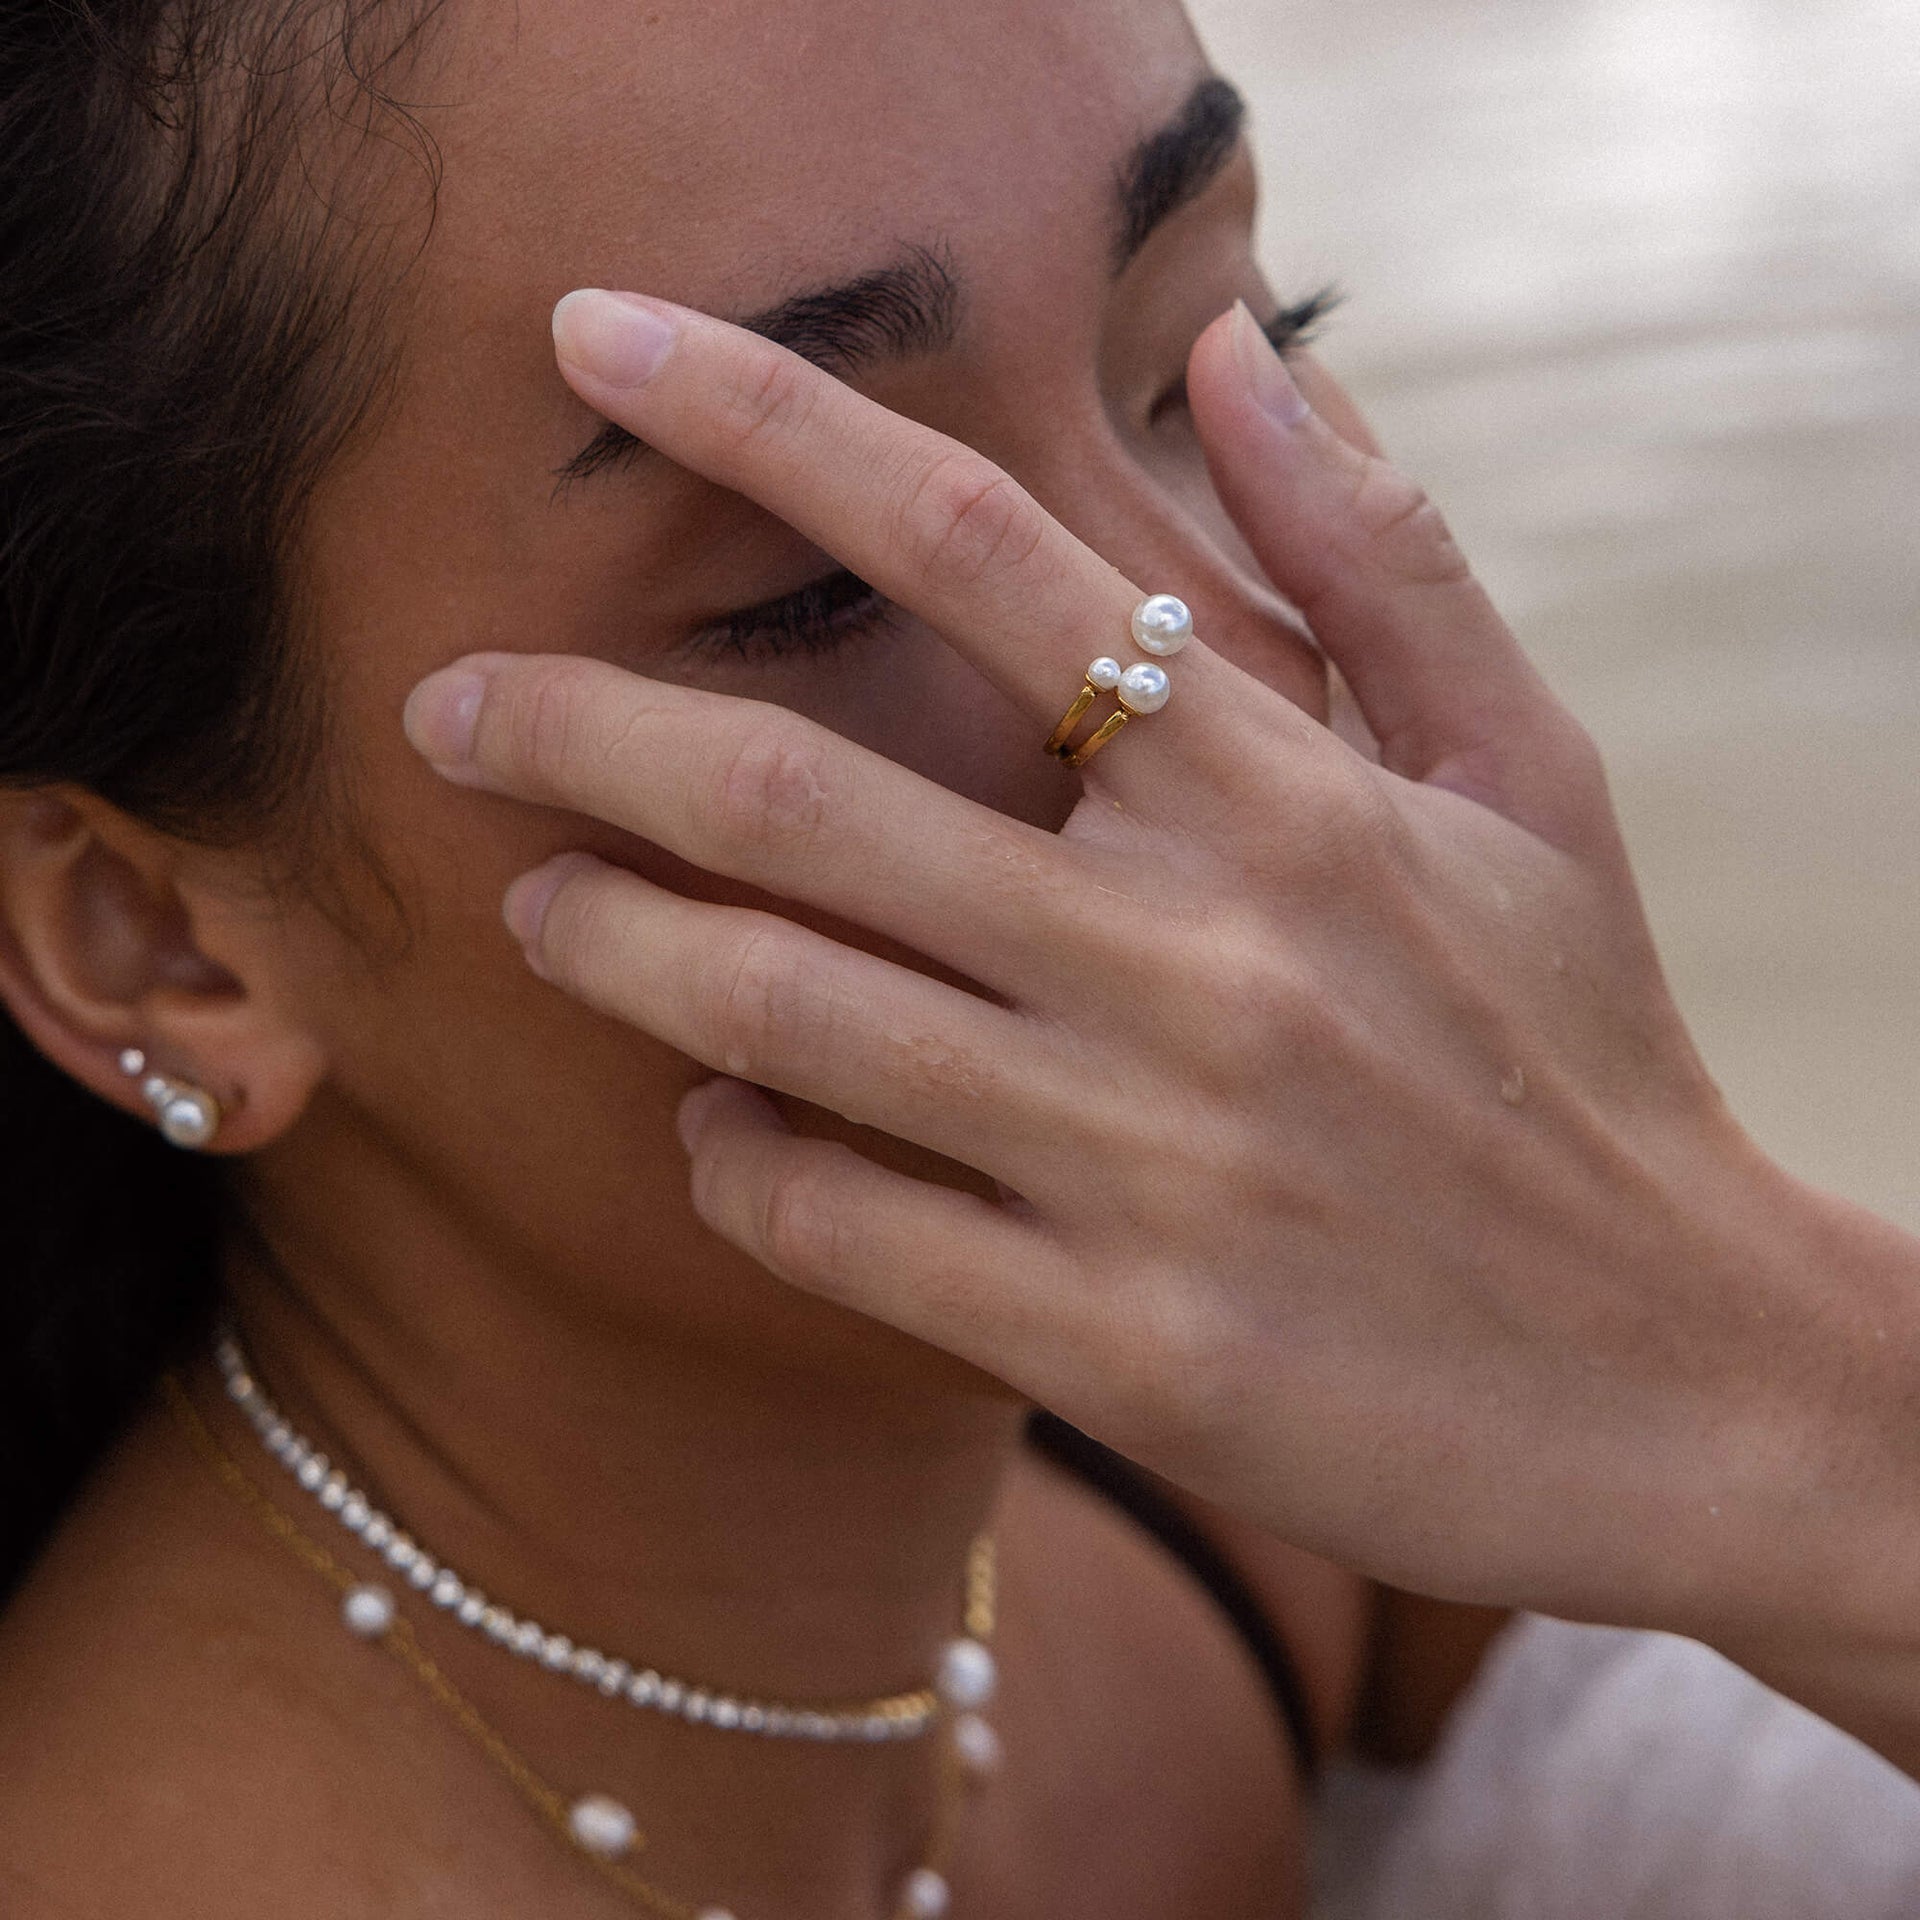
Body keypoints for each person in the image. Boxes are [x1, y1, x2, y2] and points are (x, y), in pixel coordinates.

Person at [4, 6, 1918, 1920]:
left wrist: (1729, 1357)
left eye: (1219, 354)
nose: (1236, 688)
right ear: (150, 937)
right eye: (820, 581)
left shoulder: (1304, 1461)